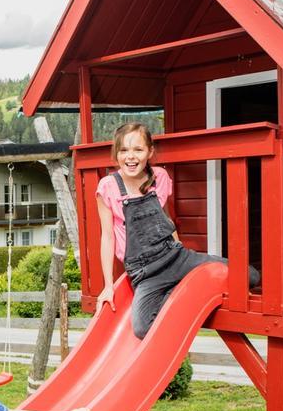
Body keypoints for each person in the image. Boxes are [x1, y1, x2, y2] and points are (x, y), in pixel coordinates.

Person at [95, 122, 257, 339]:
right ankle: (180, 293)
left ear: (150, 152)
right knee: (142, 328)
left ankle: (183, 287)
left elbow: (164, 217)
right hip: (145, 273)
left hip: (175, 257)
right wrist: (107, 286)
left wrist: (178, 245)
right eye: (123, 150)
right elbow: (107, 236)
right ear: (116, 153)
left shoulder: (159, 177)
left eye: (138, 150)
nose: (130, 157)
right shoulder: (107, 187)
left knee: (250, 275)